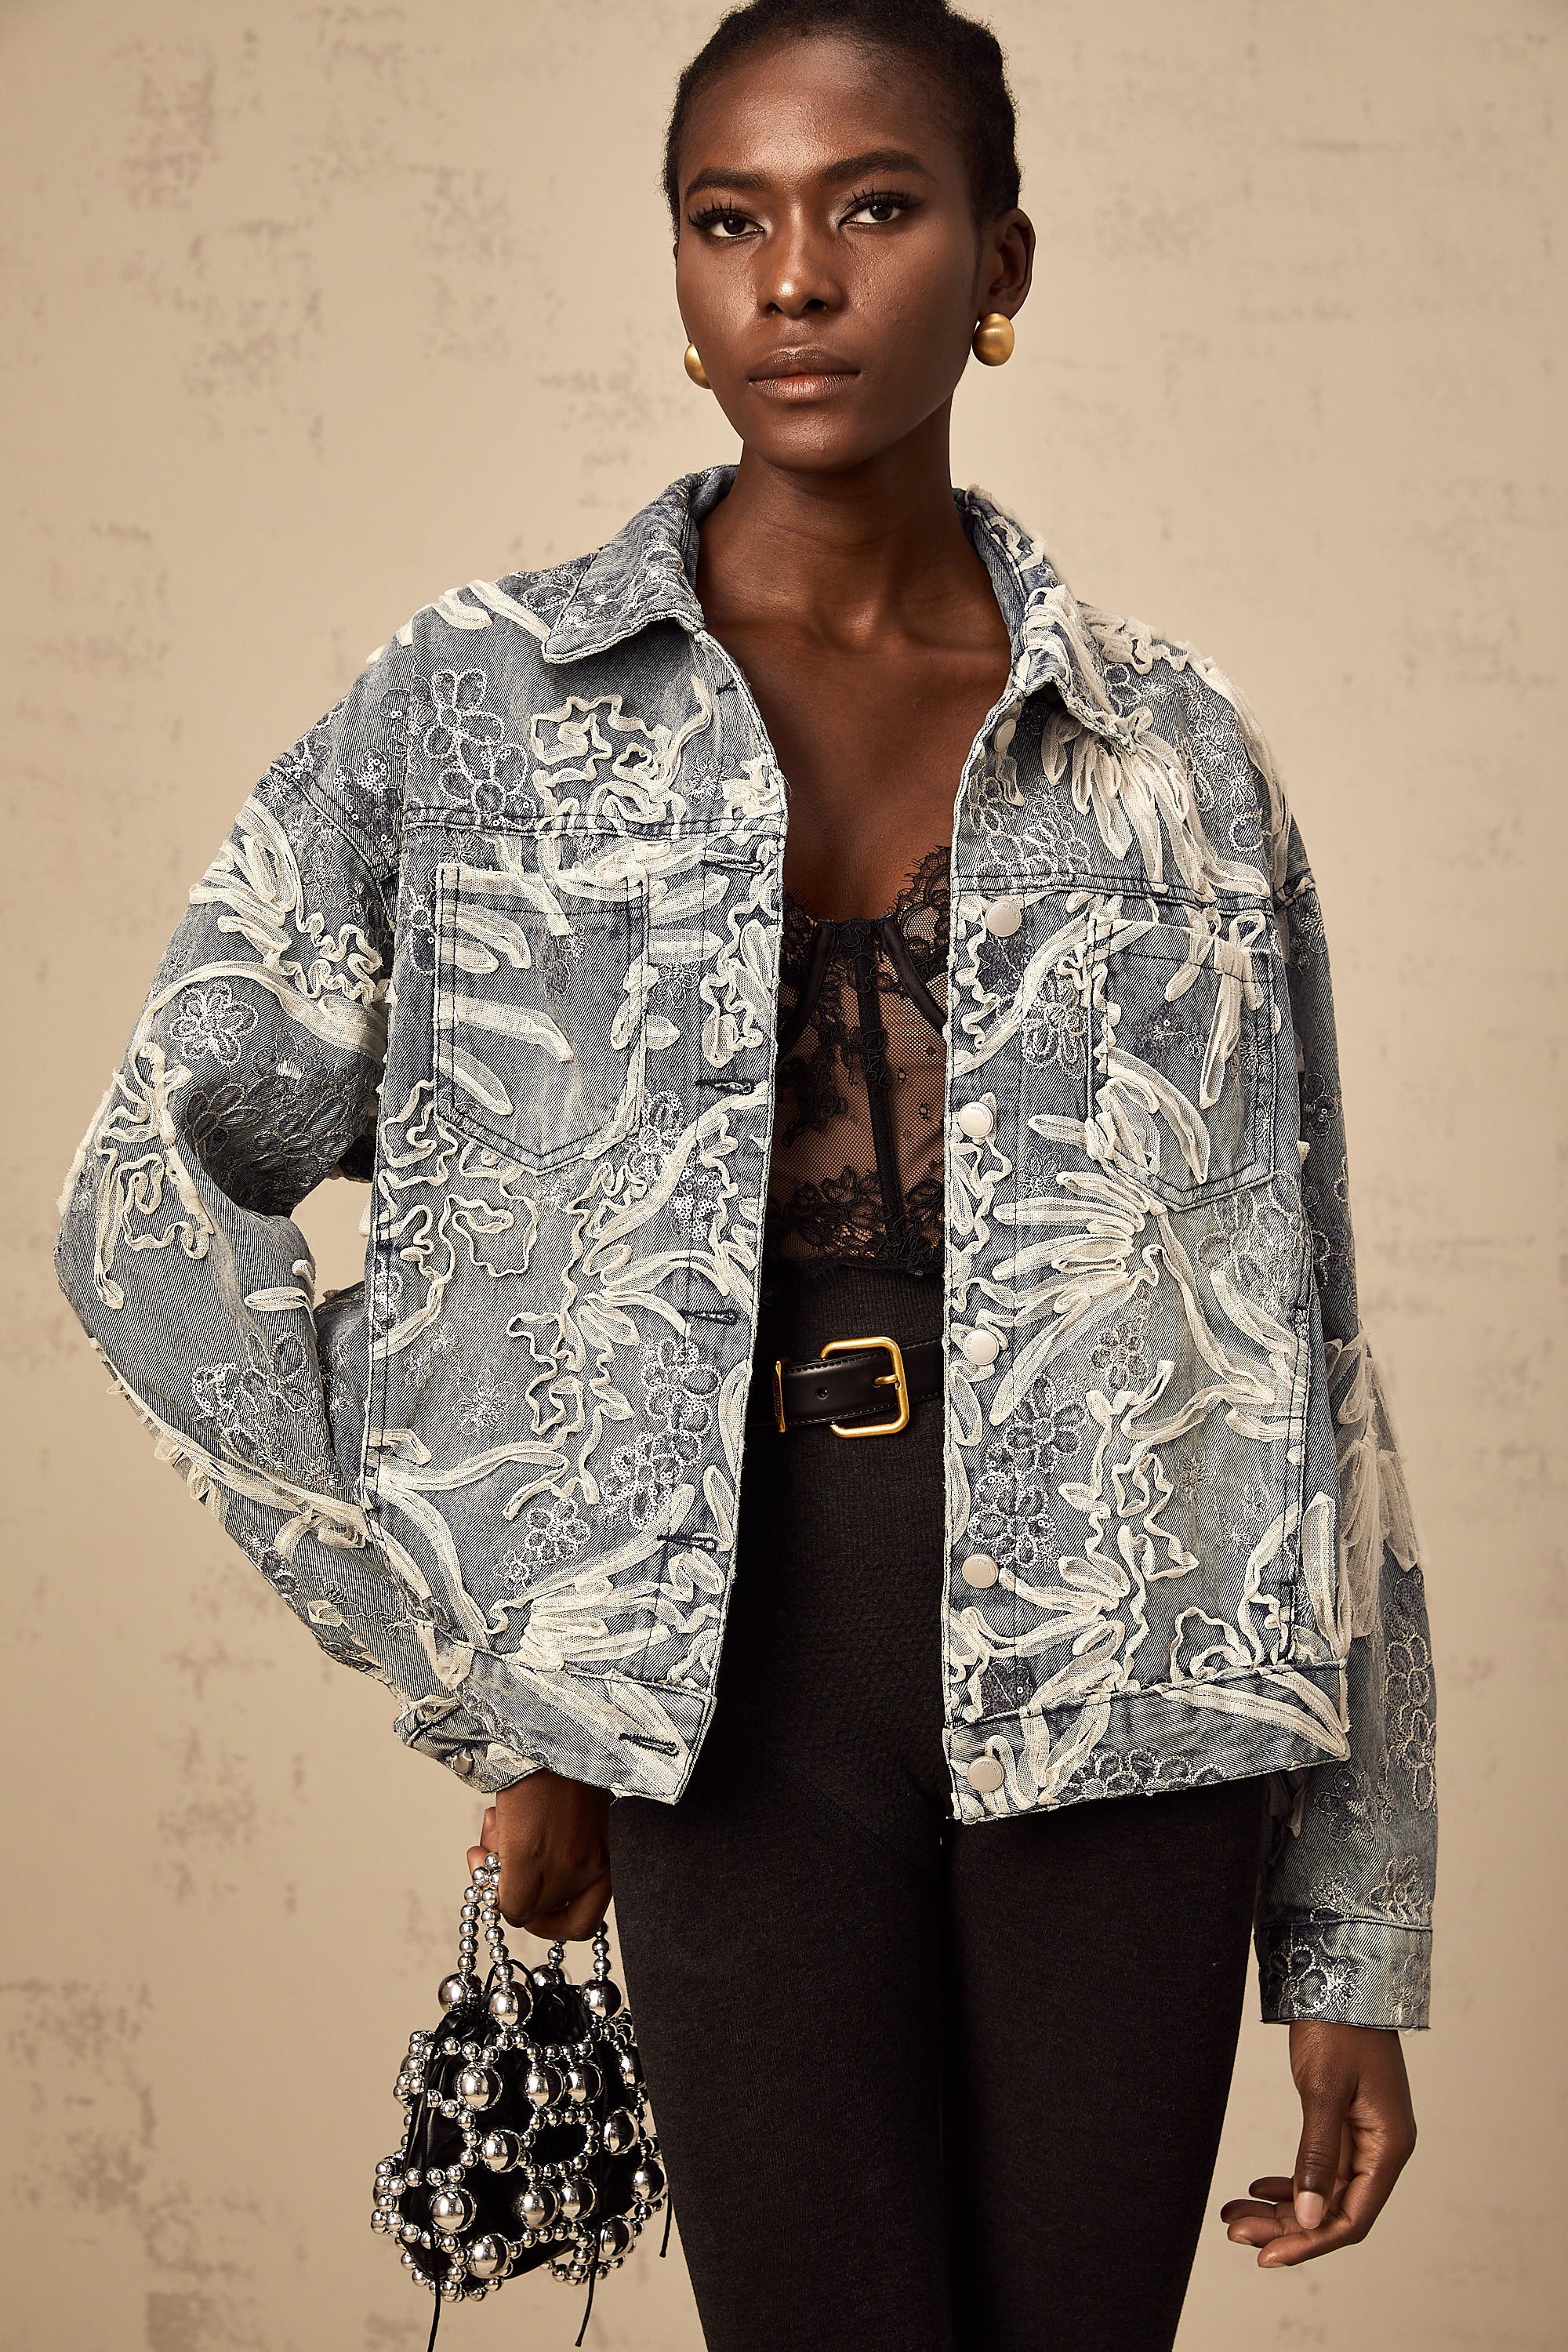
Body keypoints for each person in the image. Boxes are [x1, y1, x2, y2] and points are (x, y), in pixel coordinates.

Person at [55, 2, 1436, 2346]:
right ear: (685, 277)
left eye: (873, 207)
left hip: (1136, 1691)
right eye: (730, 219)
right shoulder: (477, 707)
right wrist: (499, 1673)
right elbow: (147, 1210)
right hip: (725, 1699)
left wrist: (1353, 1928)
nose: (795, 275)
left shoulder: (1175, 753)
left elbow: (1310, 1351)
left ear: (1001, 263)